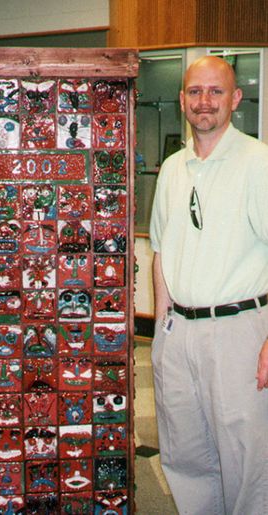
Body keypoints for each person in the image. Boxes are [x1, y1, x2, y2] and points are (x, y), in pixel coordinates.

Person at [149, 55, 268, 515]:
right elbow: (161, 251)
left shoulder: (257, 163)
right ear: (182, 100)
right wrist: (161, 330)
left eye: (216, 92)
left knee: (248, 462)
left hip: (239, 332)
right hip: (179, 335)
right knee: (184, 457)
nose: (205, 102)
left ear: (235, 99)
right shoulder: (174, 169)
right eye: (196, 92)